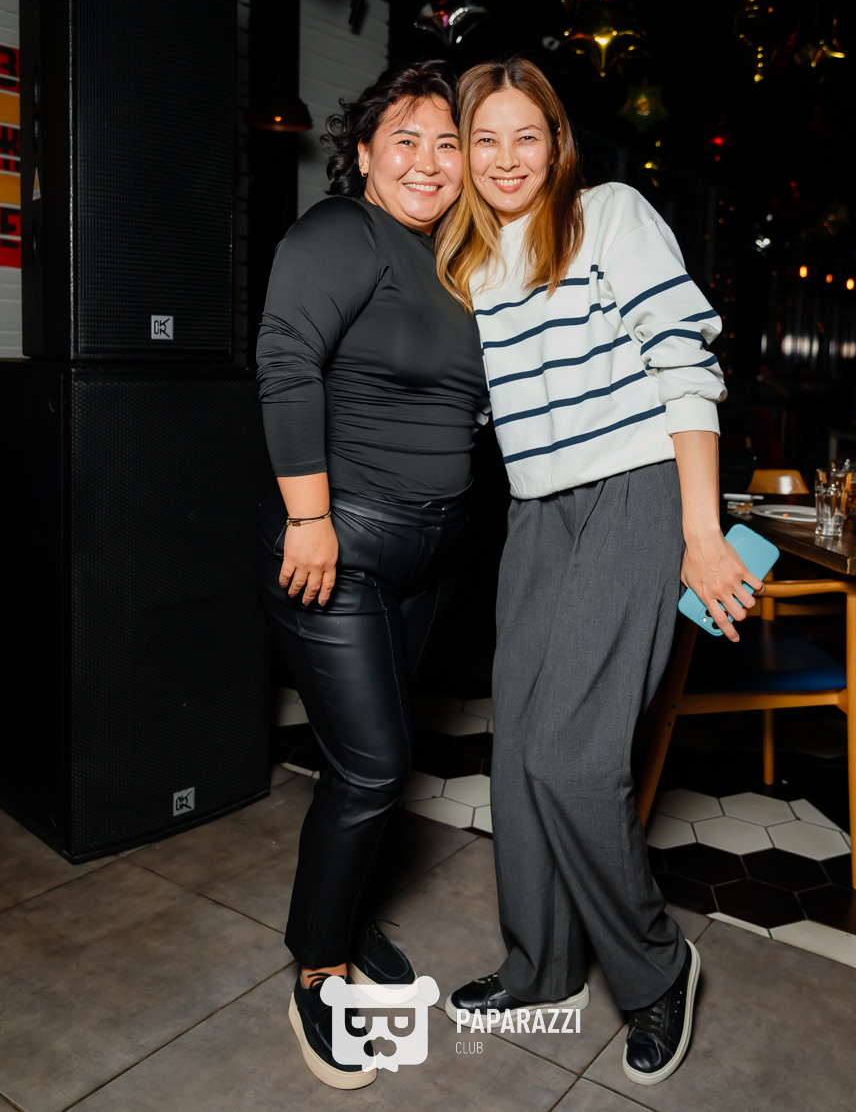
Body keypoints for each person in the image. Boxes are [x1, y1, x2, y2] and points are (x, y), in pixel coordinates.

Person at [435, 57, 762, 1087]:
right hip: (536, 515)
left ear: (557, 143)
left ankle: (658, 967)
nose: (506, 159)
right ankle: (541, 965)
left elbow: (684, 363)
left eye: (525, 136)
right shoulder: (470, 264)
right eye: (484, 139)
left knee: (575, 757)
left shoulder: (607, 215)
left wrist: (702, 533)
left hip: (634, 491)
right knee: (521, 751)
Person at [256, 61, 488, 1090]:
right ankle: (319, 965)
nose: (428, 163)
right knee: (374, 766)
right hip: (339, 547)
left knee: (377, 755)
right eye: (406, 140)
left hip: (429, 557)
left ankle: (347, 915)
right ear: (363, 152)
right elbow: (285, 362)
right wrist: (309, 520)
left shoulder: (455, 260)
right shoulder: (339, 233)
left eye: (448, 145)